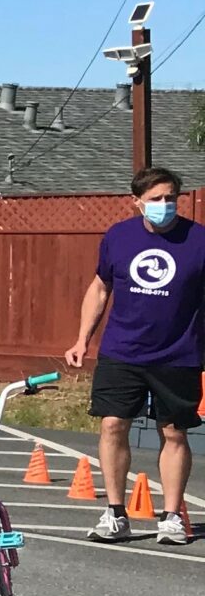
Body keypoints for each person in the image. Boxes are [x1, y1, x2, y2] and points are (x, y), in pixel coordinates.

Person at [65, 166, 200, 545]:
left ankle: (172, 517)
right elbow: (100, 287)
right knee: (112, 426)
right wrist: (82, 340)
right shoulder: (119, 237)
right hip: (122, 351)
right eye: (155, 199)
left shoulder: (198, 240)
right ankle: (116, 514)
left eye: (170, 198)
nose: (164, 205)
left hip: (178, 353)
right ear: (137, 202)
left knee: (174, 432)